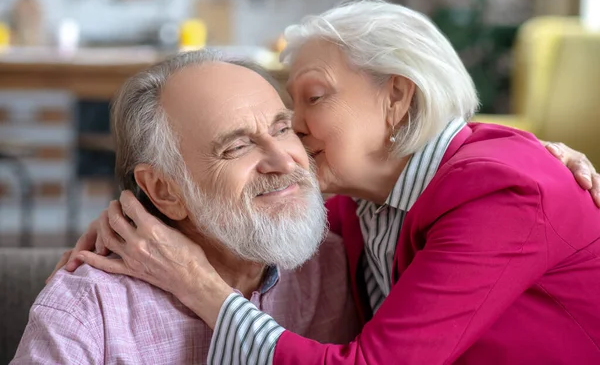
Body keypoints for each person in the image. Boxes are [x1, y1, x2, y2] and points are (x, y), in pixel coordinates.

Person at [56, 0, 600, 364]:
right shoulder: (364, 206)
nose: (294, 128)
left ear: (397, 97)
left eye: (312, 98)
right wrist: (136, 216)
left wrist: (199, 285)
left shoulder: (507, 192)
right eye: (289, 106)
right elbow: (245, 205)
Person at [11, 52, 360, 364]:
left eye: (283, 128)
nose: (284, 160)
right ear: (164, 191)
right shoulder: (90, 308)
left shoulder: (338, 264)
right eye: (237, 147)